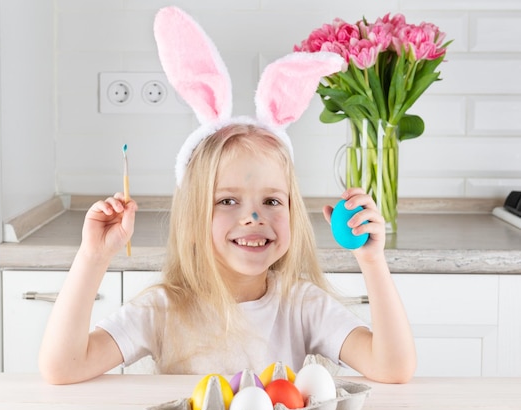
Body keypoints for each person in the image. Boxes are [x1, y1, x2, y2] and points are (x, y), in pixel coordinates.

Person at [38, 6, 416, 385]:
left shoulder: (302, 305)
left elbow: (393, 368)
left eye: (271, 201)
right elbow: (63, 367)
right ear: (191, 218)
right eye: (227, 201)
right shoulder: (163, 308)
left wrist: (372, 261)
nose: (253, 217)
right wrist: (93, 257)